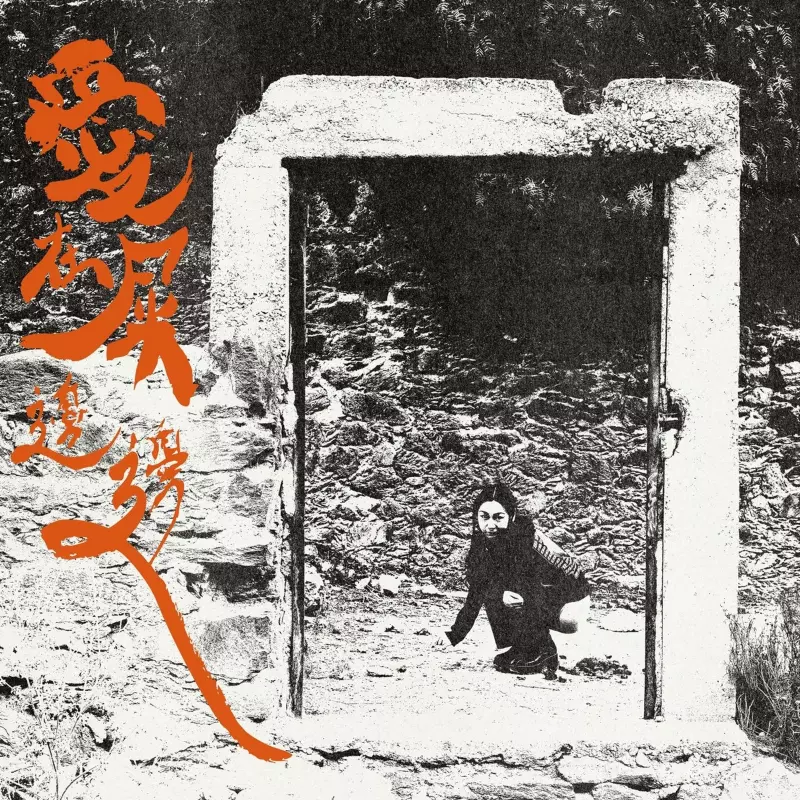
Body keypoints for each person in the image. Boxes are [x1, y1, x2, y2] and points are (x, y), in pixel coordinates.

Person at [434, 482, 590, 676]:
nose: (490, 525)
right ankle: (524, 649)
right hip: (546, 598)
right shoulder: (483, 542)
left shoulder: (525, 539)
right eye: (484, 517)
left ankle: (544, 653)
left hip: (571, 605)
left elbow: (538, 587)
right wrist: (454, 635)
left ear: (511, 516)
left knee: (509, 593)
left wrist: (505, 594)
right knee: (496, 590)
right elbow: (477, 591)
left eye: (498, 517)